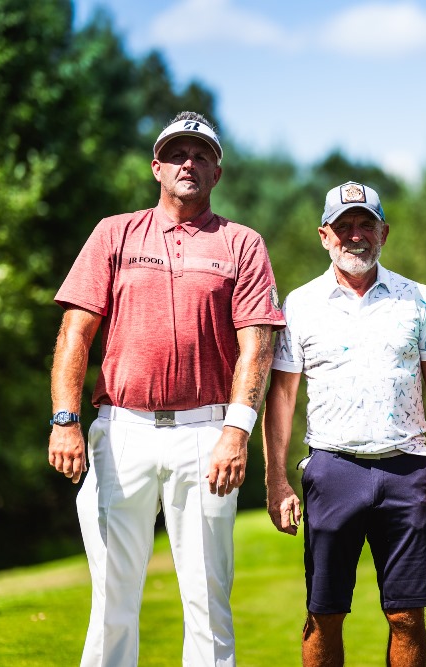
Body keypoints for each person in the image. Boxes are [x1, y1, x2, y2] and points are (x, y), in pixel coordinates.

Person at [47, 111, 284, 667]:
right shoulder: (115, 233)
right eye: (177, 154)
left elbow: (257, 346)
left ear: (217, 172)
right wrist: (65, 419)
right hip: (121, 431)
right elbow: (75, 332)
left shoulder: (242, 243)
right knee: (111, 601)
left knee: (207, 603)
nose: (188, 163)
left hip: (206, 435)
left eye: (201, 156)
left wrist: (236, 433)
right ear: (157, 167)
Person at [262, 181, 426, 667]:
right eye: (343, 225)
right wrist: (276, 480)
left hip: (406, 468)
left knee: (406, 616)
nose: (355, 235)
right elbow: (281, 397)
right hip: (332, 468)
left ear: (383, 232)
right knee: (323, 614)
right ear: (324, 236)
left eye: (366, 224)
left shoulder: (417, 299)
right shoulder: (301, 303)